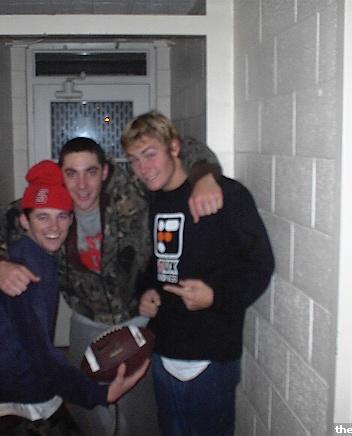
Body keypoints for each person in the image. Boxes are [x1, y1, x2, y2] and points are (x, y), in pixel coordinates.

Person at [0, 137, 223, 435]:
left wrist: (204, 177)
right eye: (71, 173)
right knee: (90, 415)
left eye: (91, 172)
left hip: (141, 322)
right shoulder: (48, 204)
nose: (82, 185)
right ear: (61, 174)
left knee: (143, 417)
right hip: (86, 325)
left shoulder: (131, 190)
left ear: (105, 171)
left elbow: (179, 147)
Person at [0, 160, 149, 436]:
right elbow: (41, 353)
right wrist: (98, 394)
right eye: (42, 217)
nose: (54, 227)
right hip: (0, 392)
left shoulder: (37, 255)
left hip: (21, 377)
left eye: (62, 216)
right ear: (24, 221)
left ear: (71, 219)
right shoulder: (25, 269)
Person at [121, 111, 275, 436]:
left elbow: (260, 264)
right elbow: (155, 265)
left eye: (149, 154)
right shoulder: (150, 202)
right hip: (163, 351)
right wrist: (144, 294)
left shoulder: (225, 195)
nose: (142, 168)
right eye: (134, 160)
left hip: (211, 354)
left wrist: (215, 296)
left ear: (175, 148)